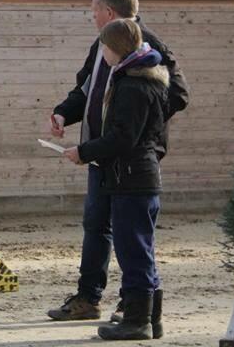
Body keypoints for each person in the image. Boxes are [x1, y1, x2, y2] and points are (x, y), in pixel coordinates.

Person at [47, 0, 189, 333]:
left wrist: (143, 132)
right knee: (99, 226)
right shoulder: (103, 45)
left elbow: (178, 94)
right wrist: (65, 113)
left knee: (132, 235)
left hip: (126, 159)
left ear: (109, 11)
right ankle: (89, 298)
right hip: (102, 156)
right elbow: (86, 89)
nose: (91, 13)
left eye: (94, 7)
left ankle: (134, 307)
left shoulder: (144, 46)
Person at [61, 18, 168, 340]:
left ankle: (137, 321)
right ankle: (151, 318)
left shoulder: (132, 86)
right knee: (141, 249)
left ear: (116, 48)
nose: (102, 52)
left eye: (105, 47)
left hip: (131, 178)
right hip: (137, 176)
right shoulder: (143, 80)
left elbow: (123, 137)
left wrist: (84, 150)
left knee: (133, 250)